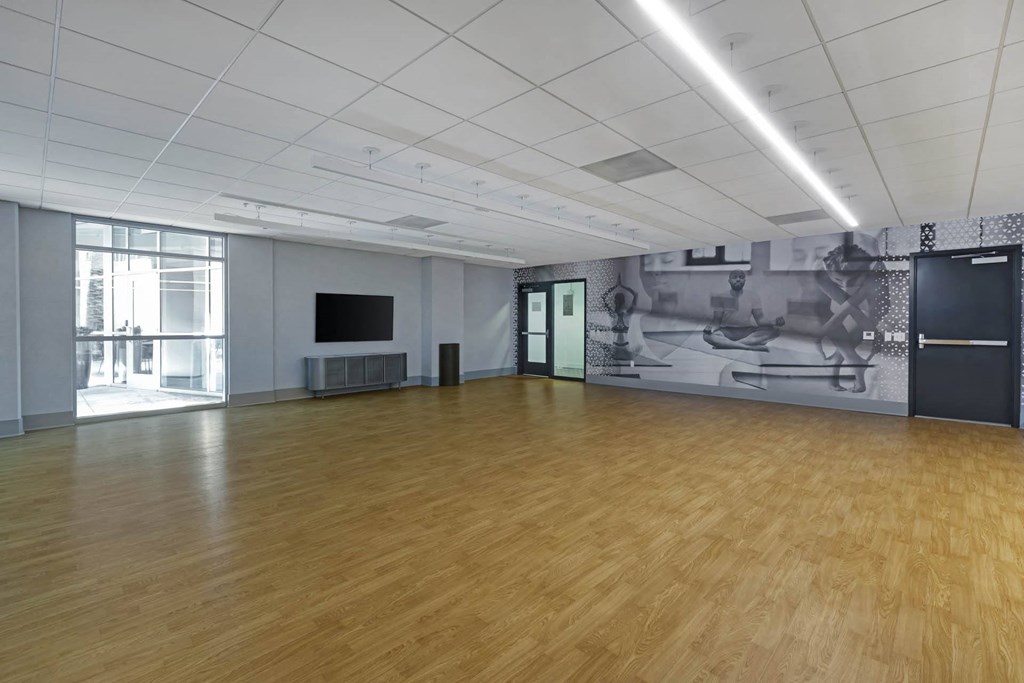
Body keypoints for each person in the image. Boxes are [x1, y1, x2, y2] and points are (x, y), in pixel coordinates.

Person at [703, 270, 785, 352]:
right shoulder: (721, 297)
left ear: (744, 280)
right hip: (727, 331)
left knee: (774, 331)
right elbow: (716, 320)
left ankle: (727, 345)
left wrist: (774, 322)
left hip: (747, 332)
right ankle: (749, 347)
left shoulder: (753, 296)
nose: (738, 279)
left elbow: (760, 319)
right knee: (706, 336)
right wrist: (710, 329)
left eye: (741, 277)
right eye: (735, 277)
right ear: (729, 280)